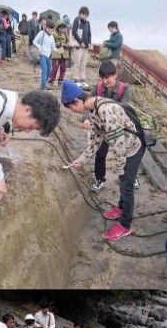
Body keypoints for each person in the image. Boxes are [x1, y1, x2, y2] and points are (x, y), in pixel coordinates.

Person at [62, 80, 145, 241]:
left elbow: (119, 145)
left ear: (78, 101)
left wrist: (120, 168)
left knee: (126, 184)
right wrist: (82, 160)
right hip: (124, 148)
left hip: (133, 148)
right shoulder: (93, 111)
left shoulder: (106, 110)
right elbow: (95, 140)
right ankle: (122, 207)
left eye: (71, 107)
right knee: (123, 180)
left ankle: (125, 225)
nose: (73, 111)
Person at [87, 60, 135, 193]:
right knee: (100, 154)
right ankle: (100, 179)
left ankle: (132, 176)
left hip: (120, 128)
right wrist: (86, 119)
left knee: (127, 153)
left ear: (115, 75)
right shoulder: (97, 89)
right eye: (103, 78)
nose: (105, 81)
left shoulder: (124, 89)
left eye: (108, 77)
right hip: (103, 128)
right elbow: (87, 104)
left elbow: (124, 109)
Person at [70, 7, 91, 87]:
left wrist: (89, 43)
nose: (86, 17)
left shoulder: (87, 23)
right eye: (85, 15)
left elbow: (89, 34)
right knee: (77, 63)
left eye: (87, 16)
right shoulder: (77, 20)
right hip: (78, 47)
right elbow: (74, 32)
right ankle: (76, 79)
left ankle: (83, 80)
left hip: (85, 47)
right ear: (81, 14)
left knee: (83, 64)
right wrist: (80, 42)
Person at [32, 20, 55, 91]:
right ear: (46, 27)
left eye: (51, 28)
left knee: (49, 72)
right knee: (44, 70)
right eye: (48, 28)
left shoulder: (52, 37)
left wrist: (61, 50)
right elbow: (34, 41)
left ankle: (43, 84)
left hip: (48, 56)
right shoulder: (41, 33)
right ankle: (44, 87)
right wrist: (39, 47)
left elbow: (53, 48)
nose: (49, 29)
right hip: (42, 55)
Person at [48, 21, 70, 88]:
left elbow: (68, 41)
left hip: (64, 53)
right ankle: (51, 82)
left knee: (63, 68)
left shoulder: (65, 34)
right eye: (61, 27)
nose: (62, 29)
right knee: (54, 69)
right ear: (57, 27)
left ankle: (60, 82)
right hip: (56, 53)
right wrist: (59, 44)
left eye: (63, 28)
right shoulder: (53, 34)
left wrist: (67, 45)